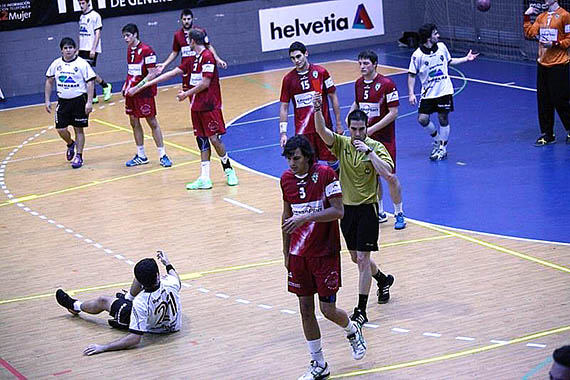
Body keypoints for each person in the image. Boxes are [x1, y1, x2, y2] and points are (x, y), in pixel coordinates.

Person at [281, 135, 366, 380]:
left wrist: (305, 218)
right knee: (305, 310)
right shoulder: (285, 180)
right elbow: (286, 217)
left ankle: (352, 330)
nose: (291, 163)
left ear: (307, 156)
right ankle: (319, 364)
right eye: (288, 158)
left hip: (324, 254)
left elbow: (338, 211)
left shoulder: (326, 174)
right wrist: (285, 251)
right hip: (299, 256)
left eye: (295, 158)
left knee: (327, 309)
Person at [314, 95, 395, 327]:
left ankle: (361, 309)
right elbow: (322, 132)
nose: (357, 133)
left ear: (367, 128)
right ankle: (383, 279)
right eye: (354, 129)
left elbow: (388, 173)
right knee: (355, 258)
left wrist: (369, 152)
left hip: (368, 209)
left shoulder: (376, 147)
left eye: (361, 129)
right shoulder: (342, 144)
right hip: (347, 210)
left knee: (362, 259)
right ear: (348, 129)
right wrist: (318, 111)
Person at [129, 29, 238, 189]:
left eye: (189, 39)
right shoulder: (192, 59)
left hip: (210, 106)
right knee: (202, 140)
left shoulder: (208, 57)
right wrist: (145, 84)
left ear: (193, 41)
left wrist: (186, 93)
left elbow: (205, 83)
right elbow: (172, 73)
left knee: (214, 139)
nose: (187, 41)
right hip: (196, 107)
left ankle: (228, 169)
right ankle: (204, 178)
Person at [55, 251, 181, 356]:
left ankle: (74, 306)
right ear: (158, 275)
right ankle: (127, 298)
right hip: (174, 325)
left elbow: (135, 339)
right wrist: (167, 263)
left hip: (154, 329)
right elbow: (175, 276)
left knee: (103, 300)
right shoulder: (171, 282)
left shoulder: (141, 302)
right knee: (143, 270)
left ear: (142, 284)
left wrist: (103, 347)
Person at [348, 50, 406, 230]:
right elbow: (357, 104)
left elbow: (394, 112)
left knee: (389, 175)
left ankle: (399, 213)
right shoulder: (358, 84)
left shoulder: (387, 84)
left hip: (384, 139)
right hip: (366, 139)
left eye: (366, 63)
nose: (362, 67)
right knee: (372, 176)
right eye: (360, 64)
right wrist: (349, 117)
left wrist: (372, 129)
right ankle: (380, 211)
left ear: (375, 64)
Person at [407, 23, 478, 160]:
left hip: (444, 90)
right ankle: (437, 139)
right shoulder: (417, 55)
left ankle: (442, 148)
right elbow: (411, 74)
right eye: (435, 34)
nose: (438, 35)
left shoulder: (442, 47)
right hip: (428, 93)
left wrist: (465, 59)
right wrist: (411, 93)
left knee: (443, 118)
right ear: (428, 37)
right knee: (422, 119)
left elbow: (449, 61)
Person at [279, 41, 343, 171]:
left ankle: (339, 189)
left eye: (298, 56)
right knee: (308, 165)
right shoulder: (288, 79)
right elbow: (284, 107)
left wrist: (338, 123)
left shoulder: (321, 72)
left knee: (333, 159)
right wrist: (283, 133)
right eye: (292, 58)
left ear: (306, 53)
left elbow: (333, 96)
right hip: (303, 132)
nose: (296, 60)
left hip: (323, 128)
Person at [121, 23, 172, 168]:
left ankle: (163, 155)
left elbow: (152, 74)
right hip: (131, 93)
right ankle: (141, 155)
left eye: (128, 36)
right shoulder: (129, 50)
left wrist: (136, 88)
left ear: (135, 34)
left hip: (144, 93)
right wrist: (126, 85)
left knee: (152, 122)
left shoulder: (147, 51)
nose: (125, 39)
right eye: (124, 36)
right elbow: (131, 71)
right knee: (134, 122)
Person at [524, 0, 570, 146]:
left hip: (559, 64)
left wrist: (555, 44)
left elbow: (569, 38)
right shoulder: (541, 17)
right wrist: (527, 16)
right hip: (543, 64)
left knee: (560, 100)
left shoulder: (565, 16)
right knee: (543, 100)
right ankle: (547, 134)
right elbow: (530, 33)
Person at [44, 37, 95, 169]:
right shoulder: (56, 64)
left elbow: (90, 82)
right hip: (63, 101)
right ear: (61, 50)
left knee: (79, 129)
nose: (68, 50)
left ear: (75, 50)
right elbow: (49, 81)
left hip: (79, 100)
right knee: (61, 129)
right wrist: (47, 100)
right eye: (65, 48)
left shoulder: (82, 64)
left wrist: (89, 102)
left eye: (70, 48)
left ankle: (79, 155)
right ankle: (70, 143)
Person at [156, 8, 227, 84]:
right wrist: (164, 64)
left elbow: (208, 46)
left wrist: (218, 59)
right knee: (189, 91)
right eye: (184, 19)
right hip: (186, 67)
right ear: (181, 20)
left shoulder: (200, 32)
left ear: (192, 19)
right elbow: (174, 52)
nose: (186, 21)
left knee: (201, 88)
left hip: (199, 65)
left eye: (189, 19)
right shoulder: (177, 35)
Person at [77, 0, 112, 103]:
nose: (81, 5)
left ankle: (105, 86)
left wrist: (93, 48)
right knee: (86, 72)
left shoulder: (95, 16)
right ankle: (95, 95)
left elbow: (97, 33)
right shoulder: (81, 17)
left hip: (91, 48)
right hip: (83, 48)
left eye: (83, 3)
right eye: (80, 4)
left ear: (88, 3)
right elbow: (80, 33)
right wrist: (78, 48)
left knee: (89, 72)